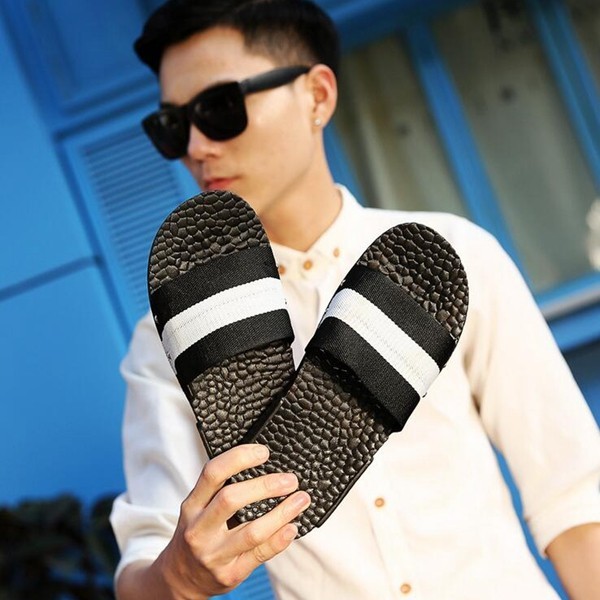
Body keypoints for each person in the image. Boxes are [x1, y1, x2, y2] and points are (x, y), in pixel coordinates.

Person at [110, 1, 600, 598]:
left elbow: (573, 493)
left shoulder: (454, 261)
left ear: (317, 96)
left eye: (219, 108)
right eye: (171, 125)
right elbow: (144, 560)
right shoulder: (176, 330)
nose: (196, 145)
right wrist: (180, 573)